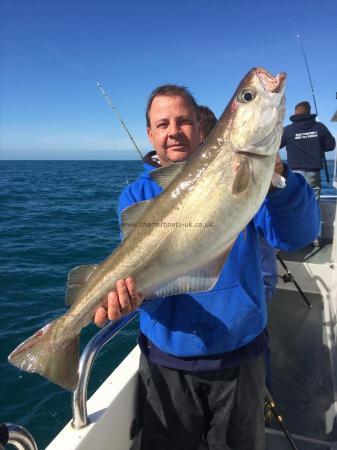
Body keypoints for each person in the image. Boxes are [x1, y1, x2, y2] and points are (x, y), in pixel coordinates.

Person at [94, 85, 320, 449]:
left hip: (240, 355)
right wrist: (130, 299)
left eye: (183, 121)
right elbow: (143, 275)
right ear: (150, 134)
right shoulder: (137, 196)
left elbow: (299, 235)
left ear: (201, 128)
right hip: (167, 360)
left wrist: (277, 181)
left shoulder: (241, 173)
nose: (173, 131)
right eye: (162, 123)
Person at [280, 101, 336, 201]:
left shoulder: (288, 130)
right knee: (313, 201)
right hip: (313, 173)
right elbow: (331, 146)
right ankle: (313, 216)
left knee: (295, 200)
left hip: (294, 173)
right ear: (309, 112)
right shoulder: (320, 127)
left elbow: (275, 146)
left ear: (295, 113)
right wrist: (318, 142)